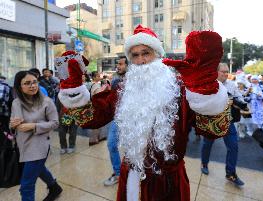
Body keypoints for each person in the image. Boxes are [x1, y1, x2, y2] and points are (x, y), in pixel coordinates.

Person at [55, 25, 230, 201]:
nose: (140, 60)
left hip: (167, 183)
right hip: (131, 176)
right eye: (135, 55)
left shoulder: (180, 88)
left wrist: (205, 91)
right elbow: (91, 118)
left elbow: (213, 130)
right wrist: (73, 89)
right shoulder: (124, 88)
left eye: (145, 53)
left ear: (158, 54)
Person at [9, 71, 62, 201]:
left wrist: (34, 126)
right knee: (40, 169)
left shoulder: (47, 102)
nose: (32, 86)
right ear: (19, 86)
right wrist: (12, 125)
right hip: (23, 145)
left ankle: (54, 188)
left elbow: (55, 123)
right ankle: (54, 187)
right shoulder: (16, 102)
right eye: (27, 83)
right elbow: (14, 124)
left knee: (26, 186)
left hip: (39, 147)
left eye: (34, 82)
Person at [200, 63, 245, 187]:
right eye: (223, 71)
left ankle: (230, 173)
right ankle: (204, 164)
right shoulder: (208, 84)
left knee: (233, 146)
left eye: (227, 72)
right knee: (207, 144)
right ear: (216, 72)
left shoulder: (231, 84)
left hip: (227, 121)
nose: (226, 74)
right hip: (212, 121)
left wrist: (241, 103)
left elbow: (239, 97)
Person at [104, 56, 128, 186]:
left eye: (121, 64)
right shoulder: (115, 80)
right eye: (117, 64)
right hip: (117, 118)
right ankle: (118, 173)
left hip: (133, 119)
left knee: (132, 148)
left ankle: (133, 173)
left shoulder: (136, 79)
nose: (118, 66)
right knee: (111, 144)